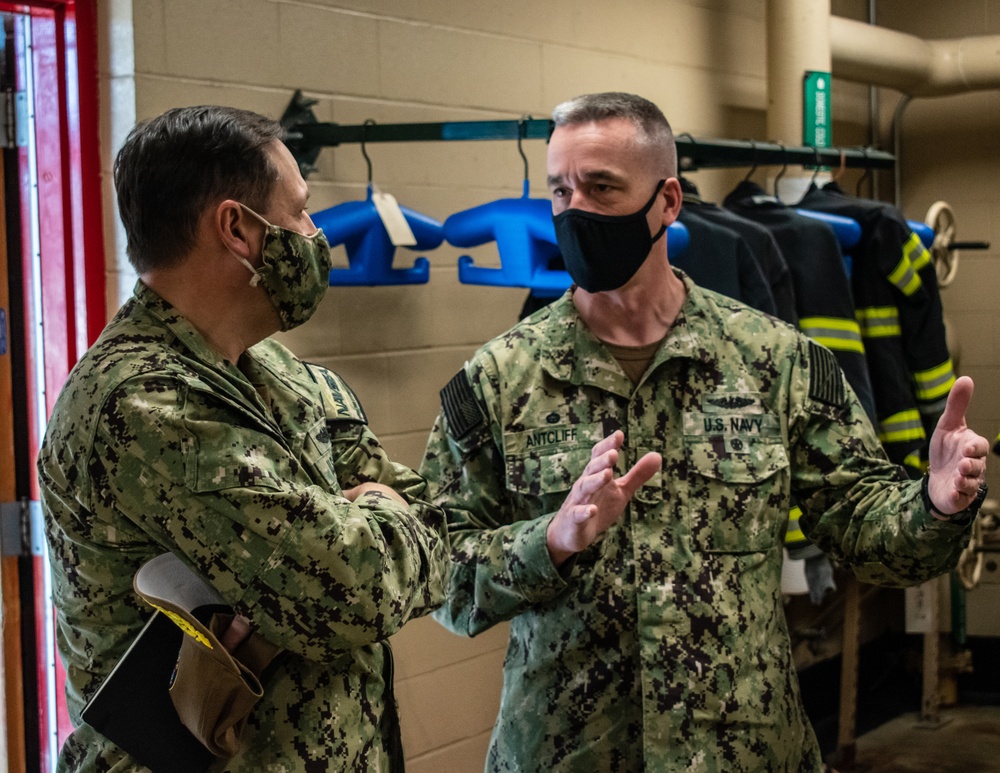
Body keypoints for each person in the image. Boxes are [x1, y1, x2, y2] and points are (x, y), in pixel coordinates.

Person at [419, 92, 989, 772]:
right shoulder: (498, 380)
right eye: (561, 190)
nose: (576, 212)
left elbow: (864, 528)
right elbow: (439, 578)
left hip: (743, 750)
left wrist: (936, 503)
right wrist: (551, 540)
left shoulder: (773, 361)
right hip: (567, 754)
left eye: (602, 188)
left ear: (667, 201)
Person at [38, 105, 449, 772]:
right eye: (299, 213)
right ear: (238, 228)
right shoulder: (143, 404)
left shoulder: (279, 373)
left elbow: (433, 518)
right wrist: (374, 513)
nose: (313, 235)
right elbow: (355, 587)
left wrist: (375, 519)